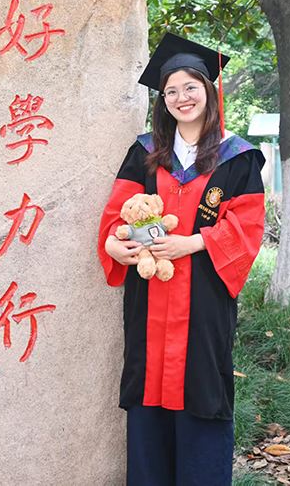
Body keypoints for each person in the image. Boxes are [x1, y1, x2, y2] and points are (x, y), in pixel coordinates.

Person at [98, 33, 265, 486]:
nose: (181, 97)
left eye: (190, 86)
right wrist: (114, 246)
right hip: (149, 297)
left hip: (204, 299)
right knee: (147, 387)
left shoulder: (238, 157)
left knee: (201, 387)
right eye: (170, 90)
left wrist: (190, 244)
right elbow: (117, 215)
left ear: (209, 90)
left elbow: (248, 227)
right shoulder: (146, 153)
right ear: (162, 100)